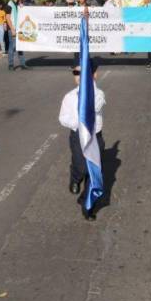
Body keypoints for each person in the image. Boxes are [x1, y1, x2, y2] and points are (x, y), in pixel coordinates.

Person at [58, 61, 106, 221]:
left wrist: (88, 93)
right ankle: (75, 177)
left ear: (94, 75)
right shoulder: (69, 96)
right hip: (77, 136)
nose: (79, 76)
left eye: (84, 73)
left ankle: (88, 206)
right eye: (76, 73)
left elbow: (94, 107)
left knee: (93, 174)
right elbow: (63, 118)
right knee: (81, 166)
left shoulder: (98, 93)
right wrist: (76, 124)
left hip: (94, 137)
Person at [6, 0, 28, 71]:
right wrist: (12, 29)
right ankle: (11, 65)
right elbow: (7, 17)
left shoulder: (16, 4)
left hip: (18, 29)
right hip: (13, 29)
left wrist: (21, 5)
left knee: (20, 46)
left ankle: (22, 64)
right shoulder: (9, 4)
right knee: (12, 47)